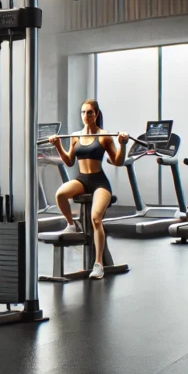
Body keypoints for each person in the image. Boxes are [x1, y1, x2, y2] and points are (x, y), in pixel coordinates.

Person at [48, 99, 129, 279]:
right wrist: (58, 145)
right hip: (82, 179)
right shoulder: (76, 136)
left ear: (96, 114)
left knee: (96, 219)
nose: (86, 116)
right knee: (60, 194)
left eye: (90, 112)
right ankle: (71, 224)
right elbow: (69, 162)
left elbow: (118, 161)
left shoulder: (104, 136)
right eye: (83, 112)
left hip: (99, 182)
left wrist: (123, 144)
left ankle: (98, 264)